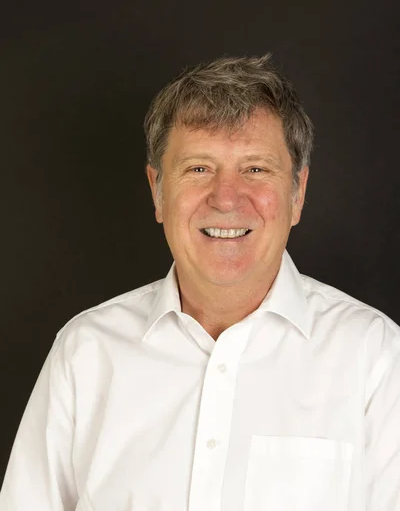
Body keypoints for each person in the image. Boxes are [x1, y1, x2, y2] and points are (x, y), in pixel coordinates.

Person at [1, 55, 399, 510]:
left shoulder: (377, 361)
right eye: (198, 168)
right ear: (157, 191)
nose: (226, 198)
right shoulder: (86, 354)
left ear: (298, 193)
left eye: (255, 169)